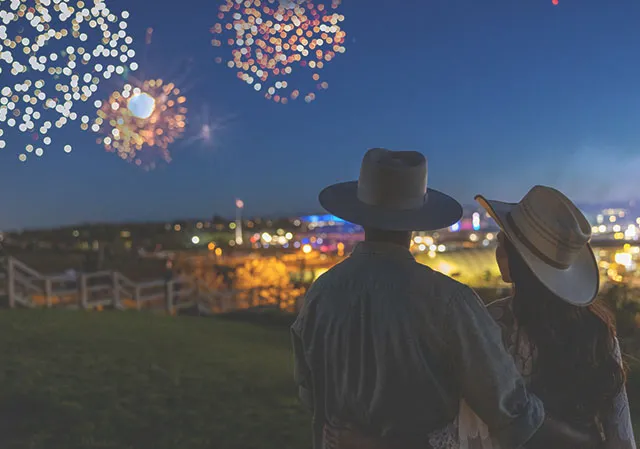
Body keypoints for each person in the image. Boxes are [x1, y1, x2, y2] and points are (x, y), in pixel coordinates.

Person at [291, 148, 599, 449]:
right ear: (416, 218)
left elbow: (309, 393)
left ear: (360, 212)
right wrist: (585, 440)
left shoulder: (320, 293)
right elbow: (510, 411)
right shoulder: (449, 303)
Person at [452, 186, 636, 448]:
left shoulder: (489, 327)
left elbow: (472, 434)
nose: (497, 248)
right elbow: (621, 436)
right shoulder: (597, 332)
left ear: (515, 259)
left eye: (501, 241)